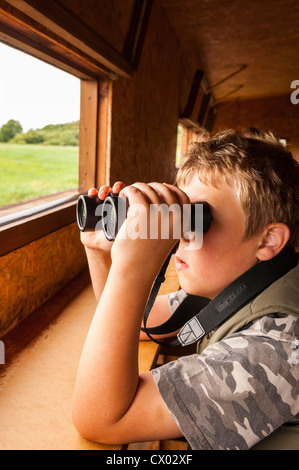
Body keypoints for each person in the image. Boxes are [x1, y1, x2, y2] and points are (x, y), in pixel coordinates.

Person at [72, 130, 299, 450]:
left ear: (267, 240)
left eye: (196, 219)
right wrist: (102, 252)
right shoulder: (243, 282)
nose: (179, 235)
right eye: (179, 215)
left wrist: (132, 269)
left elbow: (103, 420)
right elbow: (139, 321)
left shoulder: (279, 342)